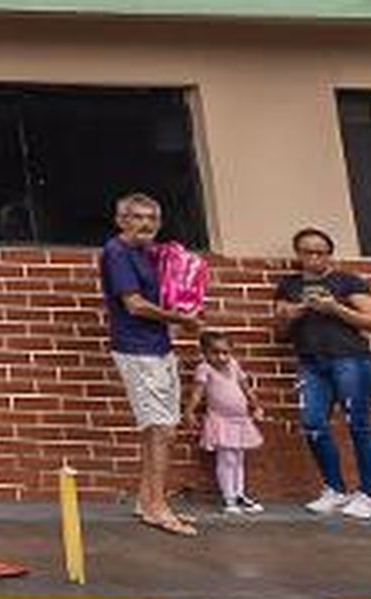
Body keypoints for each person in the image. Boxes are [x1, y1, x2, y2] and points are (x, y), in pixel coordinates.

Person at [100, 192, 201, 534]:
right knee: (161, 430)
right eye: (137, 217)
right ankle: (158, 507)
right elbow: (134, 305)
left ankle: (147, 501)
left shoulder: (149, 253)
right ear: (121, 220)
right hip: (137, 349)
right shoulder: (117, 252)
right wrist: (180, 319)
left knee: (158, 429)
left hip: (159, 346)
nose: (146, 224)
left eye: (152, 218)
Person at [274, 227, 371, 520]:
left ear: (330, 255)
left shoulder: (347, 281)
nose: (315, 258)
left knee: (358, 425)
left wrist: (335, 308)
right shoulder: (289, 286)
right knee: (312, 423)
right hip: (311, 363)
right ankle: (335, 490)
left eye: (321, 253)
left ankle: (369, 496)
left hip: (350, 359)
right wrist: (294, 312)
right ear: (298, 254)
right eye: (308, 252)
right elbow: (281, 330)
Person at [193, 333, 268, 515]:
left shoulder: (233, 365)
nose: (221, 357)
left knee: (239, 459)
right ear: (204, 352)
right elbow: (197, 393)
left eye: (226, 352)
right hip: (221, 421)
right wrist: (189, 412)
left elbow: (245, 387)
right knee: (226, 459)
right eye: (215, 353)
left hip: (240, 420)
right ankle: (229, 498)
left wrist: (256, 406)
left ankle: (239, 494)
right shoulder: (204, 369)